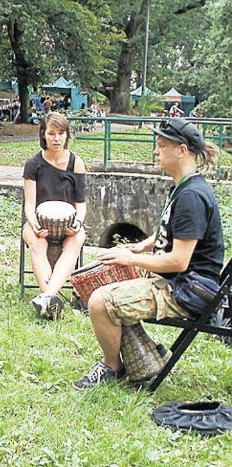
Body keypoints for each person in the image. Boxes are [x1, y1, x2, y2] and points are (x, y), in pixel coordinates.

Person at [74, 118, 224, 388]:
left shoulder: (192, 196)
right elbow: (177, 231)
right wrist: (143, 245)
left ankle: (112, 367)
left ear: (181, 150)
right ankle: (152, 353)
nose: (156, 151)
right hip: (181, 281)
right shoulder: (184, 186)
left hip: (186, 289)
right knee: (107, 281)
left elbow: (179, 261)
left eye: (162, 146)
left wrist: (130, 258)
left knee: (99, 301)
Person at [23, 112, 87, 319]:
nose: (56, 138)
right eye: (51, 133)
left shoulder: (76, 162)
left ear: (67, 135)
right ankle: (51, 299)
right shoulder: (33, 164)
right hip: (38, 222)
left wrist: (77, 223)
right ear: (43, 135)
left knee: (76, 240)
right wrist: (34, 224)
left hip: (68, 224)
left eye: (61, 133)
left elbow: (81, 204)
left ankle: (47, 297)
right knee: (36, 243)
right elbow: (30, 204)